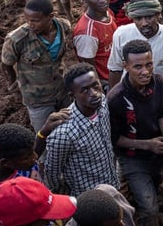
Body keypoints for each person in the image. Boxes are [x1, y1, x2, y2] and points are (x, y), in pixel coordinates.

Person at [108, 40, 163, 226]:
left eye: (149, 65)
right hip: (133, 158)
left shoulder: (160, 82)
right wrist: (148, 145)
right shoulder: (116, 98)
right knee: (150, 208)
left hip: (157, 151)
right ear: (125, 66)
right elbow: (114, 139)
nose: (145, 72)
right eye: (137, 66)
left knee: (155, 182)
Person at [41, 63, 119, 199]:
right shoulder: (64, 134)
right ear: (72, 95)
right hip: (88, 198)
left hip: (112, 183)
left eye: (96, 86)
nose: (94, 93)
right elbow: (52, 173)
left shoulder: (103, 105)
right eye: (85, 90)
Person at [1, 0, 75, 132]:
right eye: (27, 20)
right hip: (37, 99)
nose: (30, 24)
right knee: (44, 137)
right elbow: (6, 64)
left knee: (71, 129)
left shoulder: (64, 27)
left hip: (62, 90)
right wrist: (14, 86)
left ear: (50, 17)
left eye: (35, 20)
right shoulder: (17, 39)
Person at [108, 0, 163, 106]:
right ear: (131, 18)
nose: (144, 23)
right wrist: (114, 98)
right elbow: (115, 69)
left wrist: (162, 86)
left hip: (161, 101)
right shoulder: (121, 34)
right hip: (129, 101)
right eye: (138, 18)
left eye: (149, 17)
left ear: (158, 15)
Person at [0, 123, 47, 199]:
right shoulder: (4, 197)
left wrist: (43, 133)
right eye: (26, 157)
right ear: (6, 163)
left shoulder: (3, 153)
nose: (35, 157)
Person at [73, 0, 118, 84]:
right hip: (107, 81)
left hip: (117, 73)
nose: (102, 0)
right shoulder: (86, 34)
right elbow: (89, 68)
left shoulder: (108, 12)